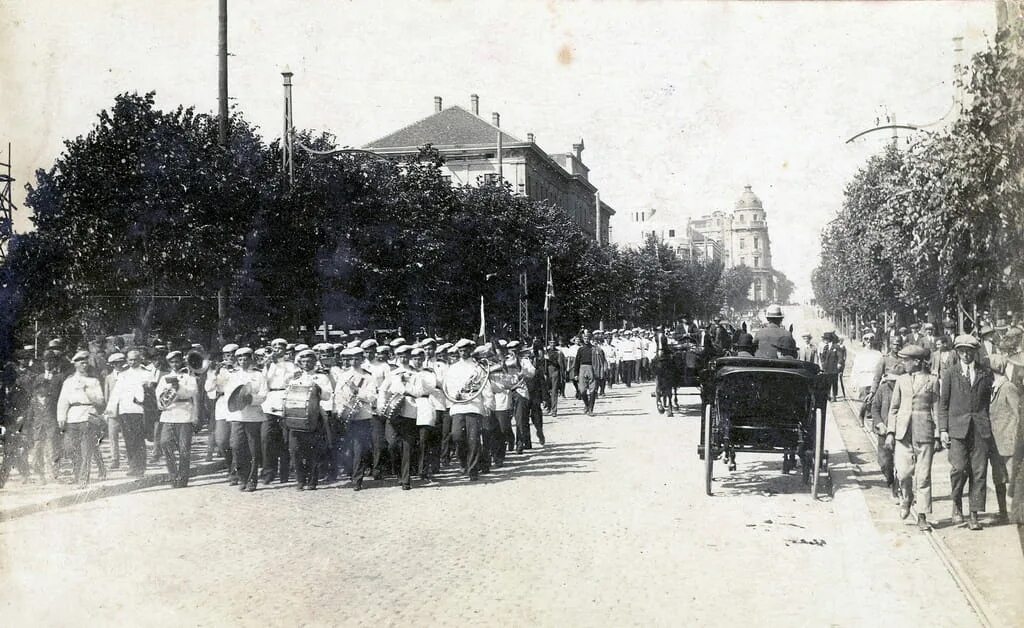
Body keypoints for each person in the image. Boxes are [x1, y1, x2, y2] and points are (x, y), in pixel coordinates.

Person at [938, 334, 993, 530]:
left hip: (979, 429)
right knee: (959, 469)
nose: (965, 355)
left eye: (969, 351)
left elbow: (988, 402)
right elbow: (943, 404)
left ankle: (974, 514)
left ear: (975, 352)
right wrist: (943, 429)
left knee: (979, 472)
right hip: (957, 429)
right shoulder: (950, 374)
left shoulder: (985, 373)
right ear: (957, 352)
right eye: (962, 351)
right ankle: (956, 504)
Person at [885, 345, 938, 531]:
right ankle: (907, 498)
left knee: (923, 476)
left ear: (917, 362)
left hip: (924, 432)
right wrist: (891, 432)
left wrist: (938, 434)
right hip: (903, 433)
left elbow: (936, 408)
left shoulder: (932, 381)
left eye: (906, 360)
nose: (903, 363)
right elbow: (894, 408)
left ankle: (922, 515)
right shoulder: (901, 380)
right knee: (903, 472)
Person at [56, 351, 106, 487]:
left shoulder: (94, 381)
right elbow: (63, 401)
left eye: (85, 362)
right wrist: (61, 417)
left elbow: (101, 401)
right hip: (72, 417)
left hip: (88, 415)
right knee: (71, 449)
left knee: (86, 451)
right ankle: (77, 475)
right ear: (75, 364)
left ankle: (83, 479)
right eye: (81, 362)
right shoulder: (68, 382)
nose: (84, 365)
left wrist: (88, 391)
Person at [333, 346, 379, 491]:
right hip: (345, 415)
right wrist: (340, 409)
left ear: (362, 359)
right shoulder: (343, 376)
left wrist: (357, 390)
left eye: (357, 358)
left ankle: (357, 479)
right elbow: (338, 395)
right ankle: (351, 473)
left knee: (359, 448)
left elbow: (372, 397)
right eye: (350, 358)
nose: (353, 361)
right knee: (347, 448)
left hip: (362, 416)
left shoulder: (368, 376)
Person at [287, 348, 332, 491]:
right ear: (299, 363)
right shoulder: (295, 377)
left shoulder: (322, 377)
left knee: (313, 450)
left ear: (314, 362)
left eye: (309, 361)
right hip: (296, 417)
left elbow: (327, 396)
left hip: (314, 416)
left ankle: (312, 480)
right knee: (295, 449)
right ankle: (300, 480)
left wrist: (317, 388)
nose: (306, 364)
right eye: (303, 361)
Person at [104, 349, 154, 478]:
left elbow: (149, 394)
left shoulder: (146, 374)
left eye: (135, 359)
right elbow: (116, 394)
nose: (133, 362)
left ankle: (140, 467)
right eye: (130, 360)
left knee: (138, 440)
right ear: (127, 360)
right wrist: (109, 410)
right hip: (124, 410)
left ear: (140, 359)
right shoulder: (123, 375)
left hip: (139, 411)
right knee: (128, 440)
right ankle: (132, 466)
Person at [225, 347, 268, 492]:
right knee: (236, 446)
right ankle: (242, 477)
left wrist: (251, 399)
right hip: (237, 416)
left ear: (251, 359)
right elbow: (228, 395)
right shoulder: (232, 375)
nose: (243, 362)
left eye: (246, 359)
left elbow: (263, 395)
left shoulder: (259, 375)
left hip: (253, 416)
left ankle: (251, 480)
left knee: (253, 449)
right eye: (240, 359)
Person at [156, 351, 199, 488]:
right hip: (169, 414)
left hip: (185, 414)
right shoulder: (165, 378)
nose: (175, 364)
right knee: (165, 443)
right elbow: (159, 395)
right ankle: (173, 475)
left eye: (177, 361)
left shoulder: (189, 377)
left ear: (181, 361)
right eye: (172, 362)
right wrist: (161, 403)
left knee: (184, 449)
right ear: (169, 363)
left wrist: (177, 388)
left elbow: (192, 393)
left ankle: (182, 478)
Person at [988, 355, 1020, 525]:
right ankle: (1003, 512)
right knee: (998, 478)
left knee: (1013, 478)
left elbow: (1018, 414)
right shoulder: (993, 387)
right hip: (995, 443)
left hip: (1008, 442)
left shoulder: (1008, 387)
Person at [27, 350, 66, 482]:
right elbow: (34, 398)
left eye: (50, 361)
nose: (48, 364)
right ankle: (41, 475)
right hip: (39, 422)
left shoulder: (60, 377)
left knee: (52, 447)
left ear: (54, 362)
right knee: (37, 450)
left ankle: (53, 474)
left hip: (52, 417)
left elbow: (63, 398)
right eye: (45, 361)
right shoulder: (38, 378)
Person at [872, 362, 901, 501]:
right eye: (892, 380)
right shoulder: (883, 389)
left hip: (900, 431)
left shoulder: (905, 391)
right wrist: (879, 423)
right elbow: (875, 408)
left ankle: (897, 488)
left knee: (901, 464)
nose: (894, 383)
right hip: (884, 431)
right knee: (885, 462)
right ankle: (890, 480)